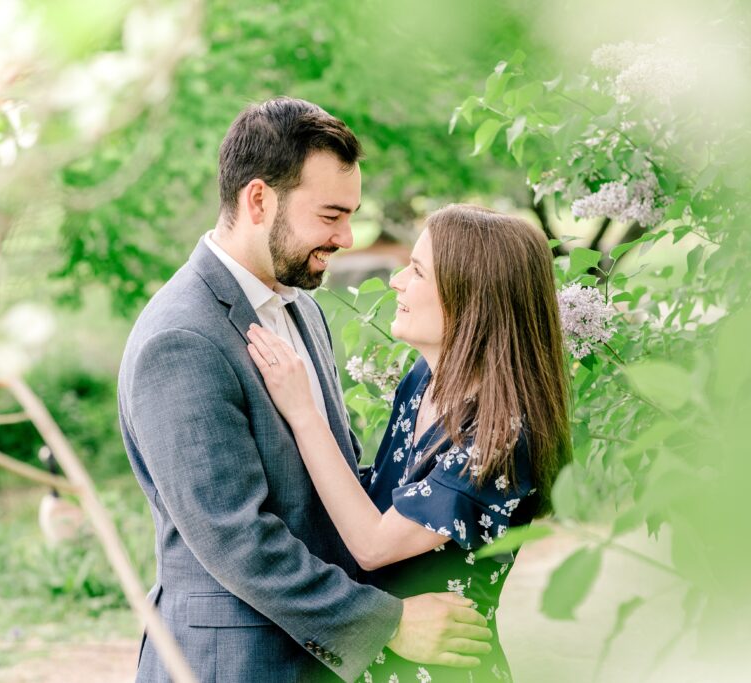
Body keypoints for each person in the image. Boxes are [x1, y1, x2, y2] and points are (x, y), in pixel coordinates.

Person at [118, 99, 492, 682]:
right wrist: (388, 622)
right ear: (259, 200)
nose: (346, 237)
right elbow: (239, 541)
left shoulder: (303, 309)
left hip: (314, 659)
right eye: (330, 215)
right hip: (234, 660)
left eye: (352, 215)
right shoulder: (182, 338)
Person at [247, 203, 571, 682]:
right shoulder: (423, 380)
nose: (396, 282)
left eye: (417, 272)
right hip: (381, 657)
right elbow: (378, 497)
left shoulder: (499, 436)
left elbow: (374, 544)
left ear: (470, 301)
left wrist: (303, 412)